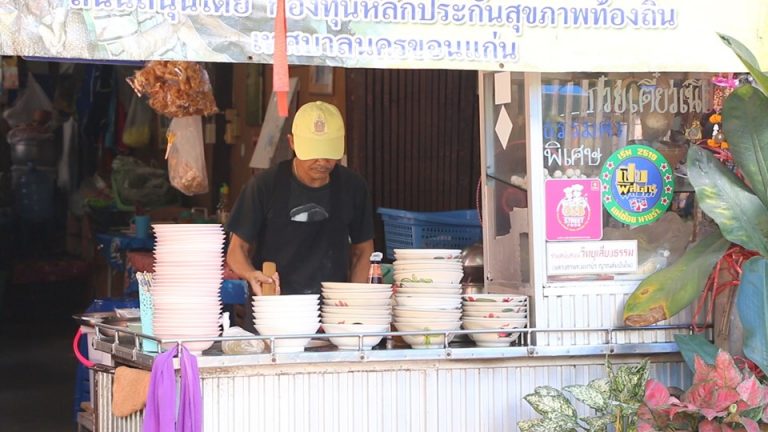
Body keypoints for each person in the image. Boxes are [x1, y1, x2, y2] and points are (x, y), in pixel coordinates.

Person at [226, 101, 374, 328]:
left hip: (332, 315)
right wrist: (251, 274)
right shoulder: (264, 186)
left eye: (329, 153)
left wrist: (354, 301)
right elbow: (236, 251)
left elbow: (363, 250)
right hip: (273, 312)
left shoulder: (353, 187)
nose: (322, 162)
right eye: (314, 152)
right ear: (292, 142)